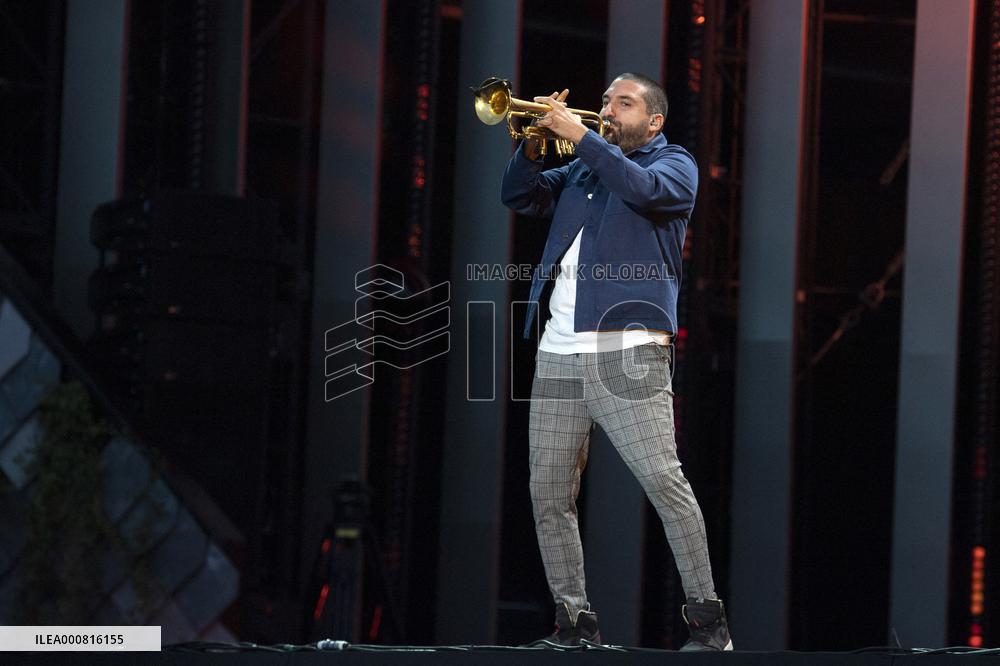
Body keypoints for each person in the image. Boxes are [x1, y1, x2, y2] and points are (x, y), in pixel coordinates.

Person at [500, 73, 733, 651]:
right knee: (547, 494)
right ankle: (574, 624)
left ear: (653, 120)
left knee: (663, 481)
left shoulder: (674, 164)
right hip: (558, 353)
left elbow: (644, 191)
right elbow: (519, 196)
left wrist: (580, 135)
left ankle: (710, 624)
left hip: (629, 352)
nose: (607, 109)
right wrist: (531, 146)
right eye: (605, 100)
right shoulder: (582, 168)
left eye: (622, 103)